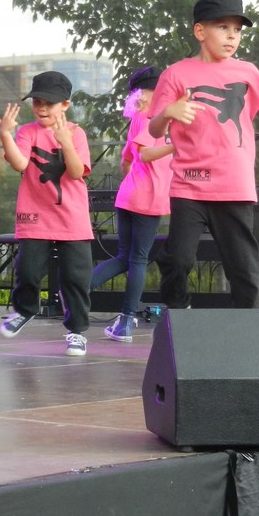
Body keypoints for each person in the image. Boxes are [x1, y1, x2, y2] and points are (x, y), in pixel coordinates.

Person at [147, 0, 259, 309]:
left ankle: (245, 328)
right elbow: (155, 131)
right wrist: (168, 113)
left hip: (234, 186)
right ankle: (178, 314)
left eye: (237, 30)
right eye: (223, 27)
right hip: (189, 184)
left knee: (244, 270)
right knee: (178, 259)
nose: (232, 36)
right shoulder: (175, 74)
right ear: (200, 31)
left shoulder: (248, 72)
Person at [0, 71, 94, 356]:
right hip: (35, 213)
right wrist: (5, 135)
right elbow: (20, 164)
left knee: (75, 278)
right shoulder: (28, 132)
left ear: (65, 104)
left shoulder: (77, 133)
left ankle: (76, 331)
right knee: (27, 270)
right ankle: (25, 310)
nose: (41, 108)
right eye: (37, 102)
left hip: (71, 217)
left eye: (49, 103)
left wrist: (65, 142)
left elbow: (75, 172)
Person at [90, 66, 174, 341]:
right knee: (138, 259)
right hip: (147, 199)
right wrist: (176, 146)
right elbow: (145, 155)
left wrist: (136, 182)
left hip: (130, 196)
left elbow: (127, 160)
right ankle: (126, 322)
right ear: (145, 94)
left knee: (125, 257)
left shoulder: (139, 118)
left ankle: (77, 290)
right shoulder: (149, 118)